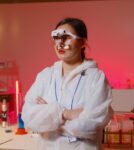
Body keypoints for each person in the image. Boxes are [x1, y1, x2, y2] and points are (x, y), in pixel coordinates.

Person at [21, 17, 113, 150]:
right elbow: (29, 118)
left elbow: (90, 127)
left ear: (82, 42)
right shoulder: (45, 76)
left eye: (67, 37)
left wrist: (47, 120)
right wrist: (65, 114)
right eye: (57, 37)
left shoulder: (96, 78)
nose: (61, 42)